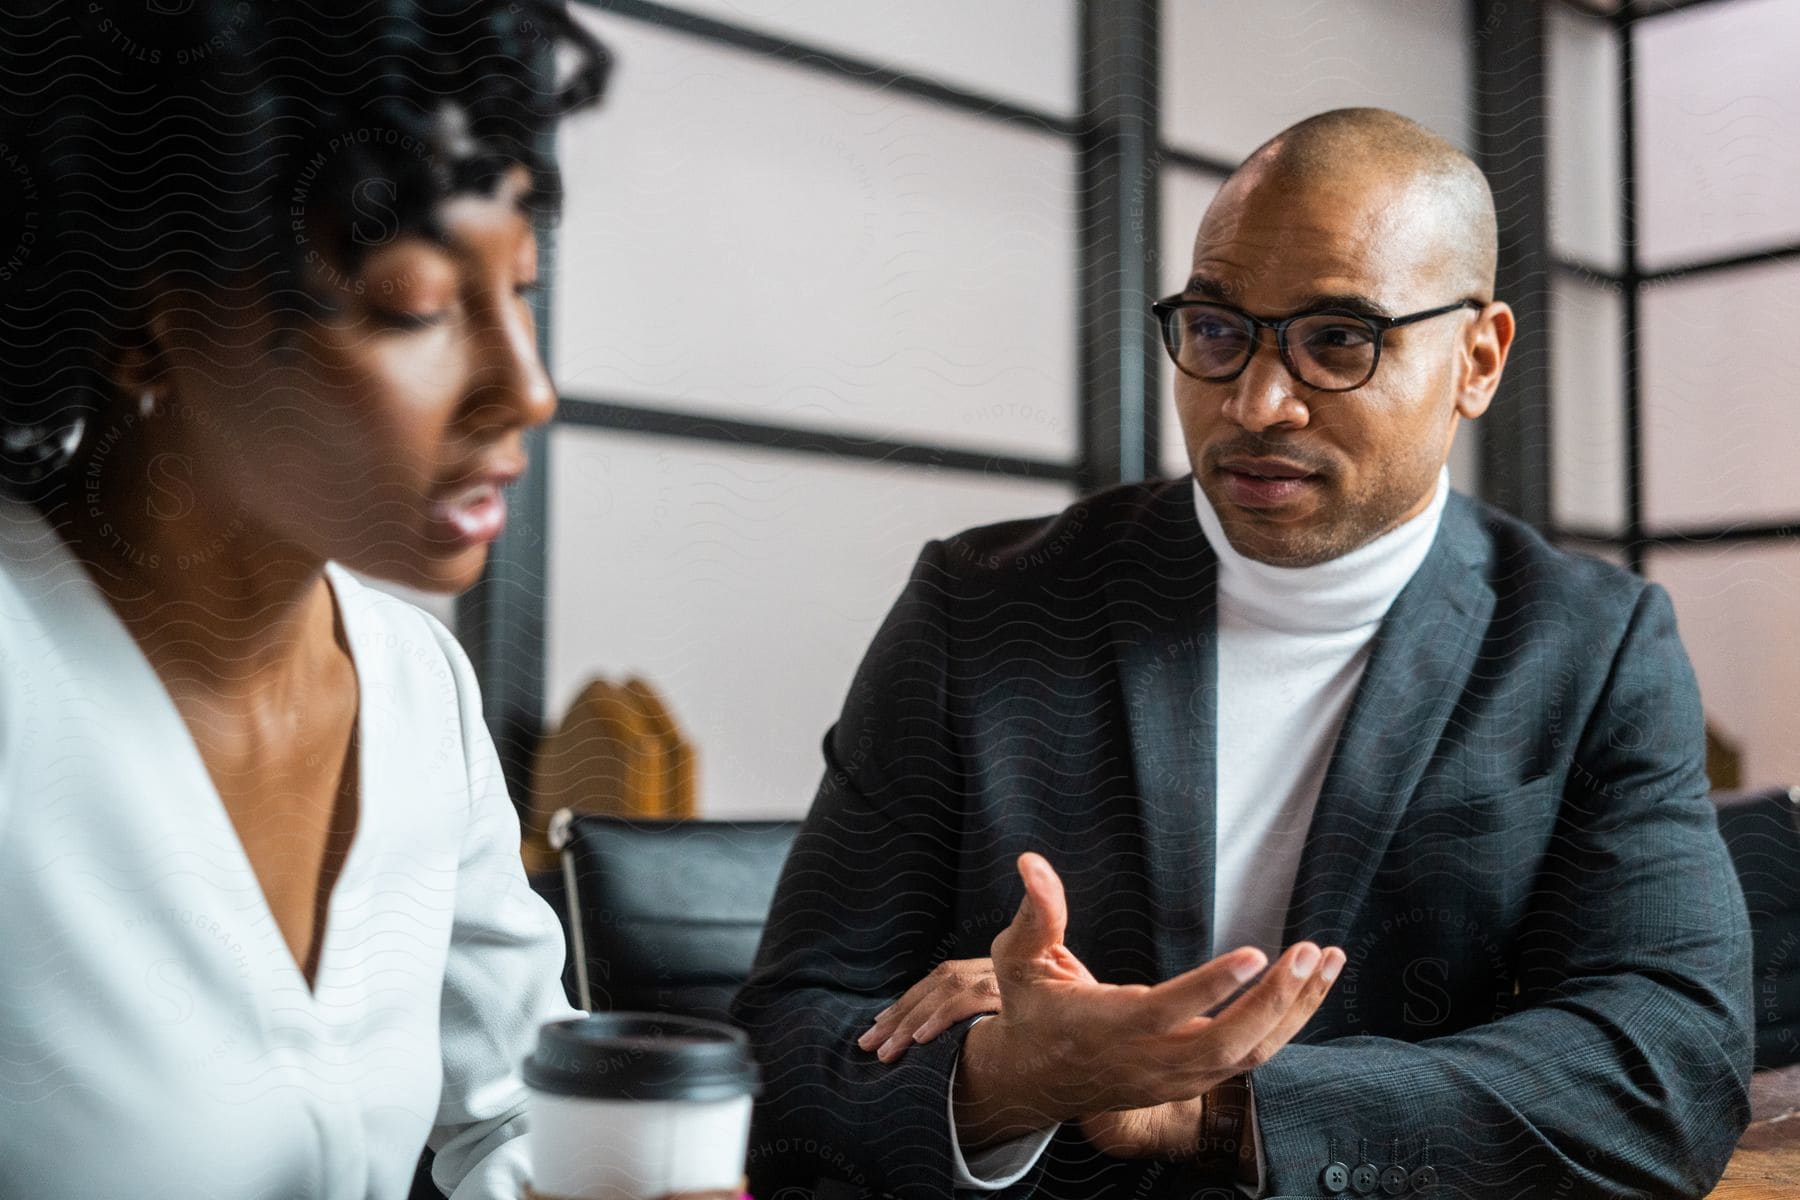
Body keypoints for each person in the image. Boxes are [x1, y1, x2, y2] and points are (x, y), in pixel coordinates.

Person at [733, 108, 1754, 1199]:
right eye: (1218, 328)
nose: (1257, 403)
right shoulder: (983, 607)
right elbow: (781, 1044)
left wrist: (1210, 1109)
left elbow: (1665, 1068)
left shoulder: (1590, 644)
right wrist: (1003, 1078)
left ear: (1478, 358)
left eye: (1338, 339)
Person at [0, 3, 609, 1196]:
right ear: (147, 319)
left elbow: (522, 1117)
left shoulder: (417, 681)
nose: (526, 390)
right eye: (418, 308)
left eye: (522, 289)